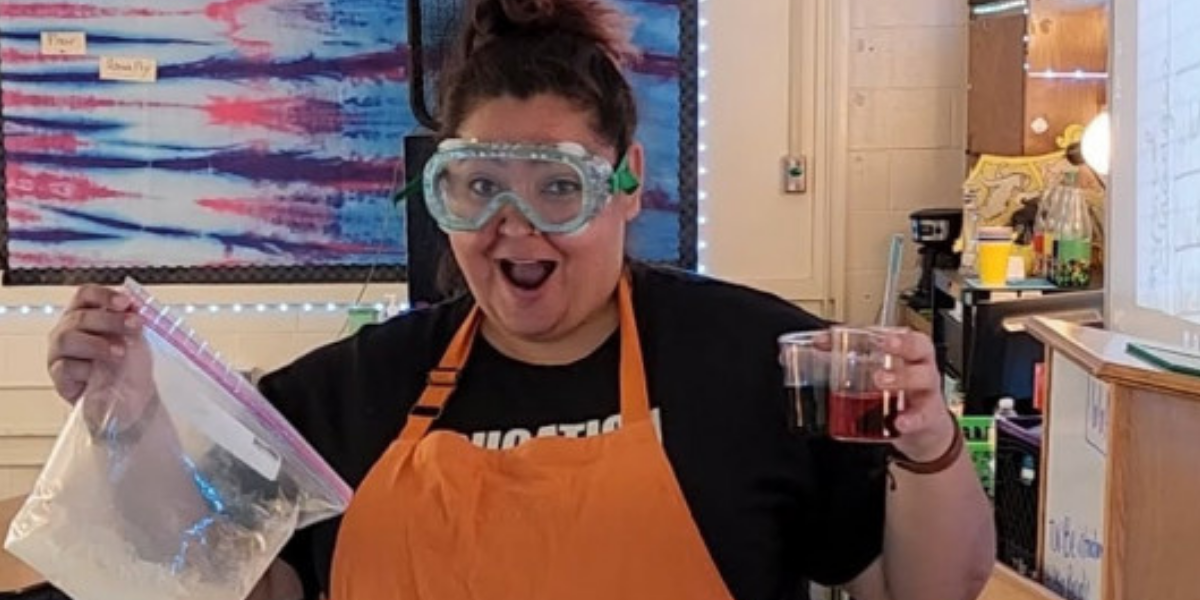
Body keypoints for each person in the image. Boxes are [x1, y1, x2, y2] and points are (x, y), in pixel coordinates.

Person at [44, 0, 995, 598]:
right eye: (476, 186)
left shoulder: (755, 358)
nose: (514, 226)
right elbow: (229, 577)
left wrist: (929, 441)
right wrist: (130, 424)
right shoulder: (361, 385)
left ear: (627, 184)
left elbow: (926, 590)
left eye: (556, 187)